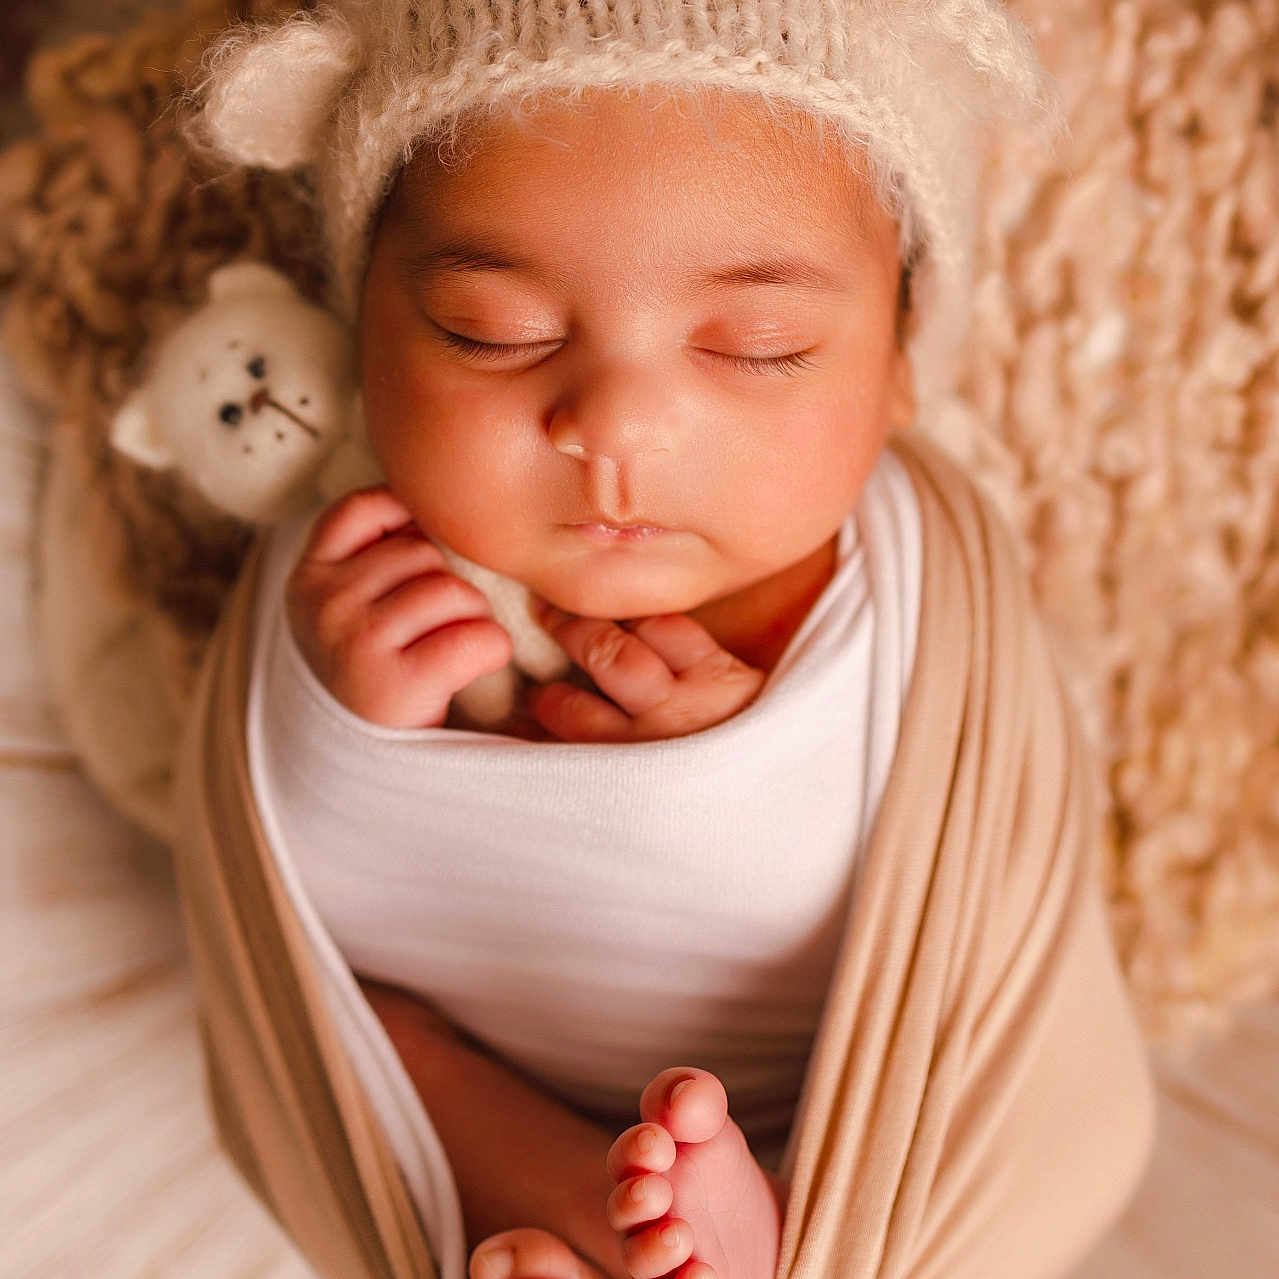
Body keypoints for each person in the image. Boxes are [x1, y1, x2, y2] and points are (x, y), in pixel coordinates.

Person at [174, 3, 1157, 1278]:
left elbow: (968, 886)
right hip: (466, 1073)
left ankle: (748, 1229)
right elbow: (285, 915)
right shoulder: (364, 564)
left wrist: (738, 775)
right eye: (492, 329)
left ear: (898, 361)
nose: (615, 423)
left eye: (761, 348)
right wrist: (346, 721)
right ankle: (626, 1227)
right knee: (382, 1053)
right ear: (363, 327)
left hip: (852, 1103)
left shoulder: (917, 587)